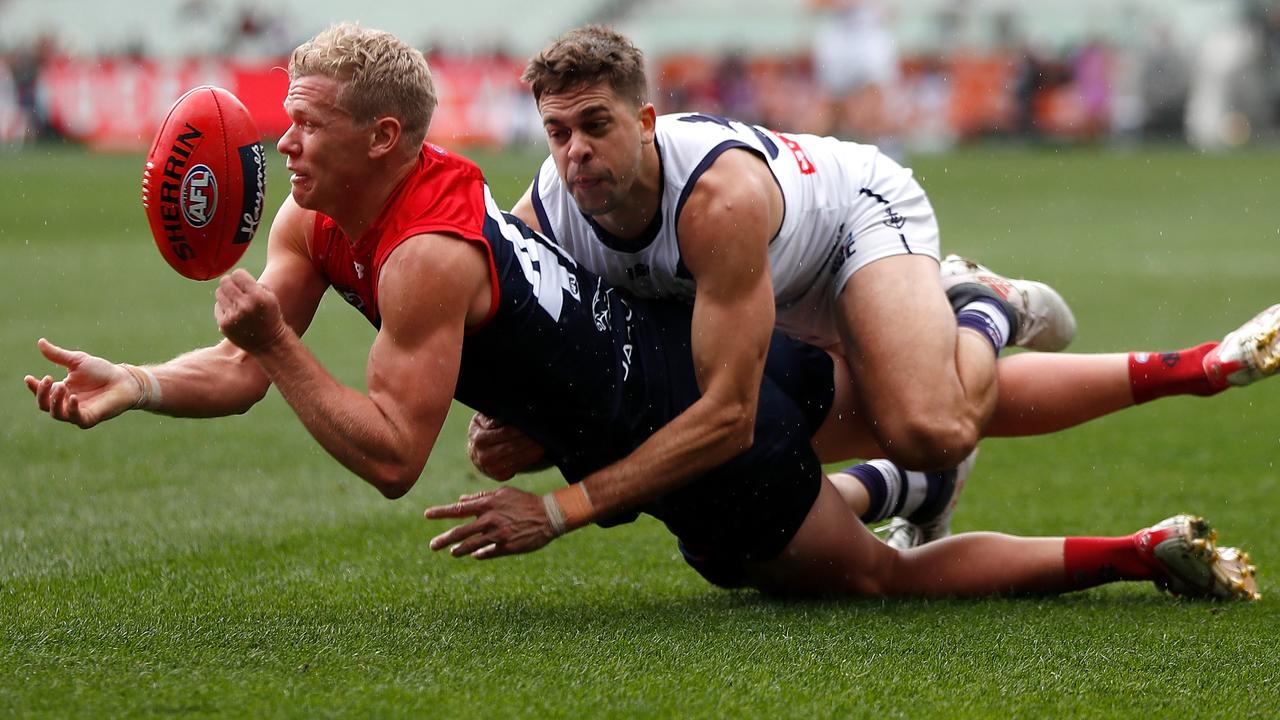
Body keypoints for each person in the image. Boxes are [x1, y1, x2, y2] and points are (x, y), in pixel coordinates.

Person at [23, 23, 1259, 602]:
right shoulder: (334, 211)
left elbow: (395, 455)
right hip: (698, 352)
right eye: (279, 114)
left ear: (384, 139)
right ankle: (1186, 369)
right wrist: (137, 380)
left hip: (719, 389)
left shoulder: (430, 256)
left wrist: (555, 498)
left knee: (888, 553)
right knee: (898, 427)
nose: (280, 137)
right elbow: (240, 372)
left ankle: (1064, 452)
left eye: (303, 121)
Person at [466, 24, 1280, 545]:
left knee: (931, 426)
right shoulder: (542, 213)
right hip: (761, 288)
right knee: (831, 446)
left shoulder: (717, 200)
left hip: (852, 224)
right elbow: (551, 361)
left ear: (645, 122)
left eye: (596, 125)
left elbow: (726, 417)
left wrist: (561, 509)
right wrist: (512, 427)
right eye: (558, 131)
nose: (574, 151)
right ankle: (919, 486)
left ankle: (984, 304)